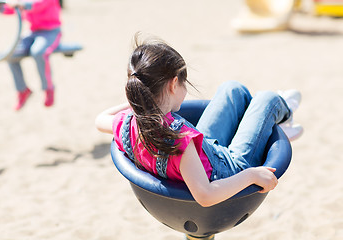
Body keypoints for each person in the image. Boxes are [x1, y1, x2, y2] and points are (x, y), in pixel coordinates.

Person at [95, 36, 303, 207]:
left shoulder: (127, 124)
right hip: (231, 170)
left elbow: (100, 119)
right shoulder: (179, 140)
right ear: (174, 84)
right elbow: (205, 195)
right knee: (267, 99)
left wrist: (140, 103)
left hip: (204, 154)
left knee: (233, 90)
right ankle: (281, 121)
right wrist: (250, 176)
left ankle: (265, 130)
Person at [0, 0, 62, 110]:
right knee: (10, 54)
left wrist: (24, 5)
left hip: (50, 31)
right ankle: (22, 90)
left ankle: (48, 88)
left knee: (38, 52)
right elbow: (14, 9)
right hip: (32, 31)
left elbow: (39, 4)